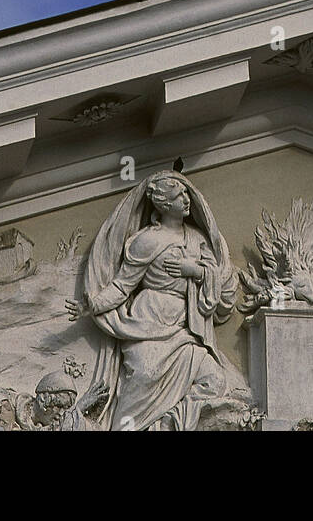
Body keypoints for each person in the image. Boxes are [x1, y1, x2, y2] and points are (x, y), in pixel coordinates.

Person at [67, 171, 236, 431]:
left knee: (213, 379)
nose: (187, 199)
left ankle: (169, 424)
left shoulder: (196, 239)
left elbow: (212, 276)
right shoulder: (146, 241)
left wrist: (194, 270)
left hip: (183, 329)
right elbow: (122, 285)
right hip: (148, 321)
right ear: (165, 204)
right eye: (180, 196)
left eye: (186, 194)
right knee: (144, 375)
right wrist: (92, 305)